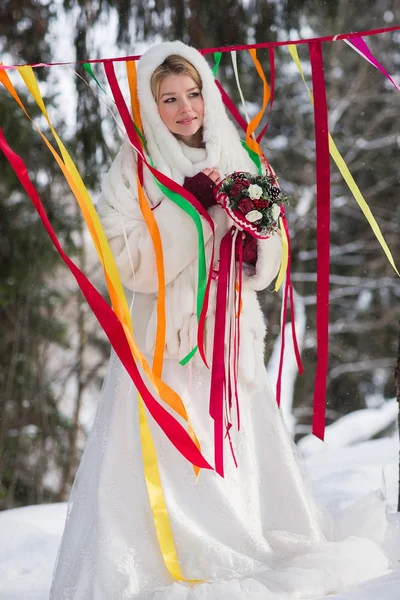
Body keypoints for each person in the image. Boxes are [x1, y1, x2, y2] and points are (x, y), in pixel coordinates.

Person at [50, 41, 389, 600]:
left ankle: (244, 535)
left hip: (228, 346)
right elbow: (122, 259)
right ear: (147, 105)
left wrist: (254, 245)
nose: (186, 109)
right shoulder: (131, 170)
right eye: (169, 99)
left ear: (209, 94)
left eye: (193, 94)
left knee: (236, 456)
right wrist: (202, 217)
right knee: (163, 462)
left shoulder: (242, 157)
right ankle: (158, 563)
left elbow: (271, 248)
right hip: (161, 350)